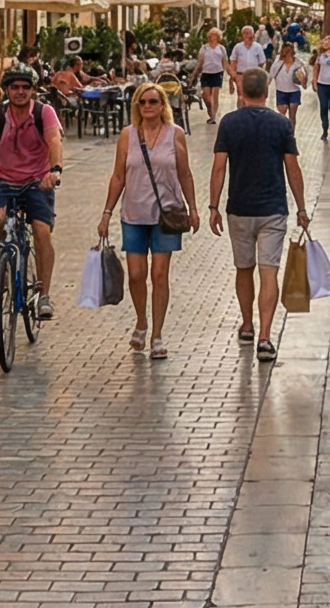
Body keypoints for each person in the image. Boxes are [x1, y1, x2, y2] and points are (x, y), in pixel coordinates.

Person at [208, 67, 308, 364]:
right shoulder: (280, 124)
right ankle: (265, 336)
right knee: (269, 272)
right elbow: (292, 168)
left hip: (239, 207)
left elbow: (218, 167)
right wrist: (301, 208)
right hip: (272, 208)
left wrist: (213, 206)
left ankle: (247, 324)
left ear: (243, 91)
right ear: (267, 91)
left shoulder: (228, 123)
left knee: (243, 269)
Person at [99, 81, 198, 361]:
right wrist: (106, 212)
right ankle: (141, 320)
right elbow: (118, 176)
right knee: (136, 275)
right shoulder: (127, 135)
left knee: (159, 275)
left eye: (153, 102)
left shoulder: (175, 134)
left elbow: (185, 173)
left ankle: (157, 334)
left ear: (162, 105)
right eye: (142, 102)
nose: (147, 107)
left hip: (167, 214)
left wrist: (193, 208)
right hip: (133, 213)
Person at [0, 69, 66, 318]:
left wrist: (55, 171)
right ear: (6, 90)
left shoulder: (43, 112)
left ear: (32, 90)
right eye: (15, 87)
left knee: (41, 231)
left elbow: (54, 141)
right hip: (3, 180)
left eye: (25, 87)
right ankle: (2, 266)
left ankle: (44, 294)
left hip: (38, 182)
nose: (20, 92)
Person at [271, 40, 306, 130]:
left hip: (294, 91)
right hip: (281, 90)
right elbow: (271, 74)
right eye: (285, 50)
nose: (287, 53)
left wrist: (304, 81)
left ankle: (291, 134)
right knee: (282, 114)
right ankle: (283, 132)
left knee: (292, 113)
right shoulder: (278, 61)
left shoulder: (298, 62)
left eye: (289, 51)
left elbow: (304, 75)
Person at [197, 28, 228, 120]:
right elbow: (200, 62)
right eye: (212, 34)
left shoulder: (221, 48)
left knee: (215, 96)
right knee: (206, 96)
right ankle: (210, 109)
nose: (213, 36)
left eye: (215, 34)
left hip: (217, 73)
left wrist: (229, 74)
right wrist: (194, 74)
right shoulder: (204, 48)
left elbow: (225, 62)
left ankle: (213, 116)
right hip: (206, 73)